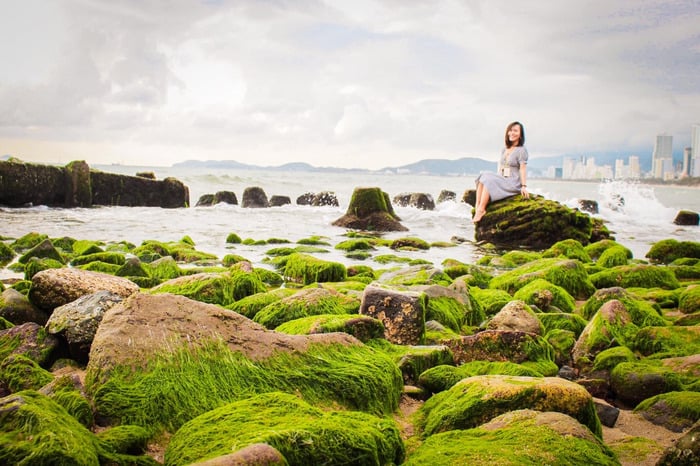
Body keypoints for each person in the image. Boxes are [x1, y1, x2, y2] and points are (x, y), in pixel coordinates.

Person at [472, 121, 529, 222]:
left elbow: (523, 168)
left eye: (515, 131)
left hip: (512, 182)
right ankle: (478, 206)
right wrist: (496, 179)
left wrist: (524, 186)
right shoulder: (505, 149)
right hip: (503, 178)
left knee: (488, 179)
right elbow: (501, 167)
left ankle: (481, 209)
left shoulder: (521, 150)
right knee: (483, 175)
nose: (512, 133)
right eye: (510, 130)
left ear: (520, 134)